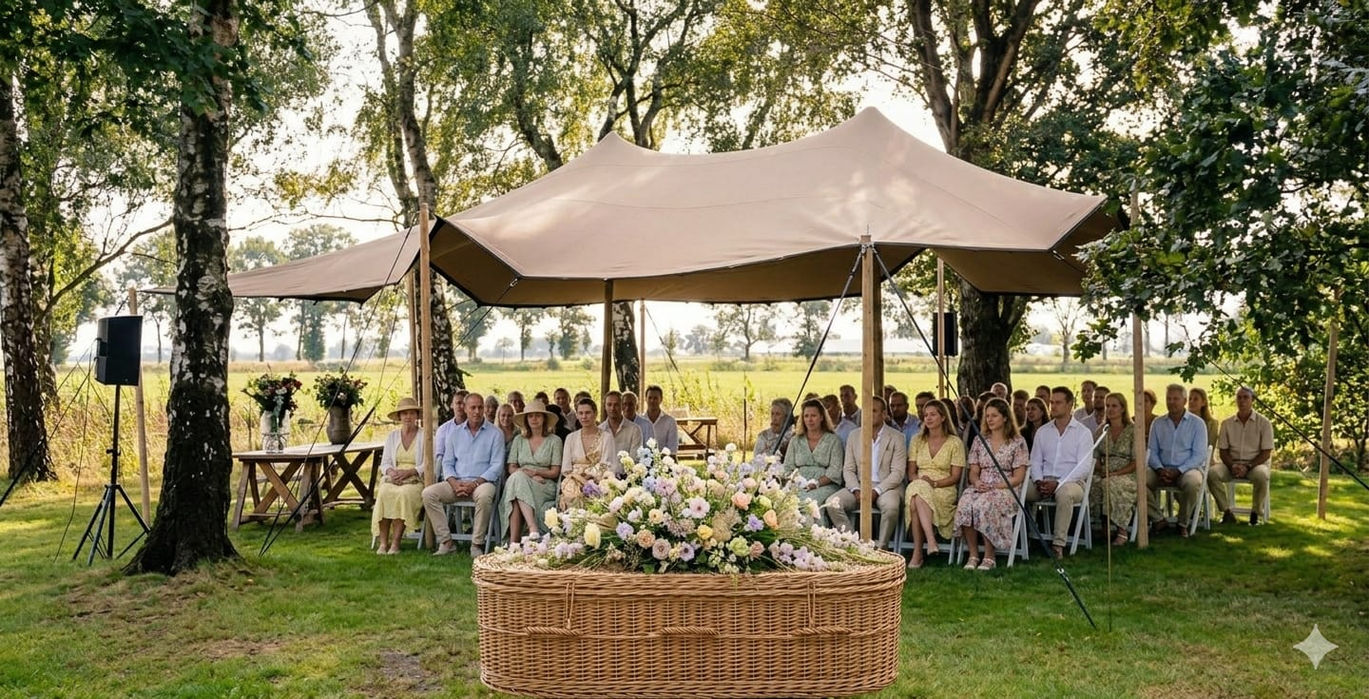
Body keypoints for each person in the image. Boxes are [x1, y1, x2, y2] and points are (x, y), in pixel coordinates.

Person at [424, 393, 507, 557]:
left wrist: (475, 484)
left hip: (482, 483)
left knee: (484, 497)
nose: (477, 411)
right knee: (428, 494)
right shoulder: (454, 433)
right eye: (473, 407)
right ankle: (447, 542)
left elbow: (497, 466)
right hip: (457, 482)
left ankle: (476, 544)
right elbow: (447, 463)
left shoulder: (495, 433)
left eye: (480, 407)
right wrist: (454, 483)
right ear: (465, 409)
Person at [955, 397, 1029, 570]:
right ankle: (973, 554)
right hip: (981, 485)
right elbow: (973, 471)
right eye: (987, 416)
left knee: (986, 504)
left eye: (994, 415)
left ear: (1005, 417)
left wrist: (996, 486)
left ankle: (989, 555)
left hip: (1005, 487)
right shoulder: (980, 441)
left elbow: (1018, 477)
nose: (989, 419)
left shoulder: (1017, 442)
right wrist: (978, 482)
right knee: (966, 503)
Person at [823, 397, 906, 549]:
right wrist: (855, 489)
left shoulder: (897, 437)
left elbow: (898, 473)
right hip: (860, 484)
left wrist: (877, 490)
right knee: (832, 503)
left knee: (892, 506)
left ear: (884, 413)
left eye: (874, 411)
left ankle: (882, 547)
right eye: (866, 411)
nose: (869, 414)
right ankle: (853, 544)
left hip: (887, 486)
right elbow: (848, 469)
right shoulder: (854, 435)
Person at [1026, 387, 1096, 558]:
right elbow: (1034, 460)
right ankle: (1017, 538)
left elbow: (1084, 466)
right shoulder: (1043, 431)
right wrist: (1038, 480)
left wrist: (1059, 483)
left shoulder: (1083, 433)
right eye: (1052, 403)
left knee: (1064, 493)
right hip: (1043, 481)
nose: (1053, 406)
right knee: (1018, 489)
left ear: (1070, 405)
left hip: (1072, 482)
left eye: (1058, 403)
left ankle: (1058, 545)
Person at [903, 399, 965, 568]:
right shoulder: (917, 440)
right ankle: (930, 541)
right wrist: (922, 482)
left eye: (933, 414)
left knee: (916, 499)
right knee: (918, 490)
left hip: (943, 488)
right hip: (919, 482)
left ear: (943, 417)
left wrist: (935, 484)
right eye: (925, 415)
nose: (928, 418)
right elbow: (911, 473)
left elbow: (955, 477)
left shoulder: (955, 443)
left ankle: (918, 553)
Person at [1146, 384, 1209, 538]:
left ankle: (1183, 523)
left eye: (1176, 399)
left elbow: (1199, 455)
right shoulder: (1158, 423)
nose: (1172, 402)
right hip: (1160, 469)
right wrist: (1160, 469)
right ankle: (1158, 518)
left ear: (1185, 401)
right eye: (1169, 398)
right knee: (1138, 479)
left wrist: (1178, 470)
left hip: (1187, 469)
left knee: (1193, 482)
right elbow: (1151, 451)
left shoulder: (1197, 424)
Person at [499, 400, 564, 544]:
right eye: (530, 416)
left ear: (544, 419)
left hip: (544, 484)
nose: (534, 419)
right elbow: (511, 467)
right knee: (517, 485)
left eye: (538, 416)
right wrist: (528, 475)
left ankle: (514, 542)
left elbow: (555, 472)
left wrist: (536, 472)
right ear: (526, 420)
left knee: (515, 487)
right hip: (521, 480)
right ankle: (527, 533)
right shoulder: (519, 440)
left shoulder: (555, 441)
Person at [1209, 386, 1275, 525]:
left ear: (1252, 400)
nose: (1242, 401)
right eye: (1239, 397)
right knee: (1212, 474)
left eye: (1246, 397)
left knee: (1262, 475)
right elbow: (1223, 451)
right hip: (1230, 464)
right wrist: (1233, 465)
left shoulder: (1264, 423)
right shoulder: (1227, 423)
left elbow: (1266, 452)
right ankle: (1227, 512)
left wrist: (1248, 466)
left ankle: (1255, 514)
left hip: (1254, 464)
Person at [372, 397, 426, 555]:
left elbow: (428, 463)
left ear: (416, 416)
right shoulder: (392, 436)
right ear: (400, 417)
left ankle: (395, 543)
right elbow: (385, 462)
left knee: (403, 494)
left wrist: (411, 471)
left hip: (415, 480)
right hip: (394, 478)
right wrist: (391, 472)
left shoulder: (426, 436)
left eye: (411, 413)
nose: (408, 417)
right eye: (404, 414)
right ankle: (383, 543)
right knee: (384, 492)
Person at [784, 399, 844, 524]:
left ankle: (816, 536)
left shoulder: (833, 440)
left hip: (825, 484)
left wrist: (816, 483)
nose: (809, 420)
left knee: (809, 502)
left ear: (821, 417)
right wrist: (798, 481)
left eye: (813, 416)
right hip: (799, 484)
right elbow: (788, 467)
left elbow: (835, 470)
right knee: (788, 501)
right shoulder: (795, 440)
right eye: (806, 416)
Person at [1091, 392, 1138, 546]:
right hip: (1104, 472)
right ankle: (1102, 526)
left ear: (1123, 409)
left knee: (1112, 484)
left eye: (1114, 406)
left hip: (1127, 473)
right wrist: (1102, 470)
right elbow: (1095, 456)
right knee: (1092, 483)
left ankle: (1121, 530)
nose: (1110, 409)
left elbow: (1136, 461)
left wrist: (1115, 473)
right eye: (1107, 406)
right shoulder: (1102, 430)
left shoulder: (1132, 430)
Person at [560, 398, 615, 508]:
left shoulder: (606, 437)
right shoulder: (570, 438)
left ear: (595, 414)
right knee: (571, 496)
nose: (584, 417)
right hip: (574, 481)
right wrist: (579, 479)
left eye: (587, 413)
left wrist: (592, 477)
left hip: (599, 481)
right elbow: (566, 468)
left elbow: (608, 464)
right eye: (580, 413)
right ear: (577, 415)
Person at [599, 390, 644, 458]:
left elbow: (635, 459)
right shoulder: (599, 430)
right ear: (605, 407)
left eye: (616, 404)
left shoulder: (634, 430)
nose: (612, 408)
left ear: (622, 406)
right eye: (609, 404)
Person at [433, 390, 469, 467]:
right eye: (458, 403)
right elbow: (440, 456)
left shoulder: (477, 428)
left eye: (465, 404)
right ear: (452, 405)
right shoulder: (443, 430)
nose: (461, 406)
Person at [641, 385, 679, 452]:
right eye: (650, 398)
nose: (652, 401)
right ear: (645, 399)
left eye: (655, 398)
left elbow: (672, 447)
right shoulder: (640, 421)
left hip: (664, 460)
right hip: (642, 460)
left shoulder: (670, 421)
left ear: (661, 399)